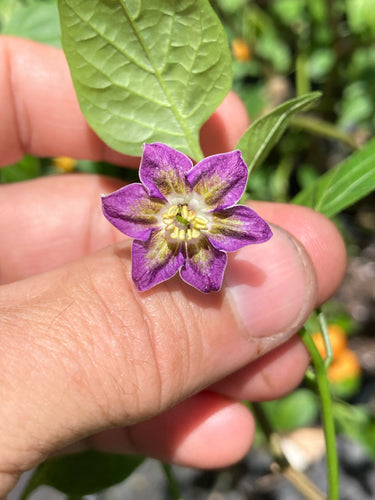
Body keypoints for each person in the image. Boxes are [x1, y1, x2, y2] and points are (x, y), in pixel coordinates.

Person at [0, 36, 346, 497]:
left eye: (185, 211)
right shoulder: (181, 205)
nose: (183, 215)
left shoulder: (193, 197)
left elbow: (247, 220)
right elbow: (160, 225)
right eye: (181, 211)